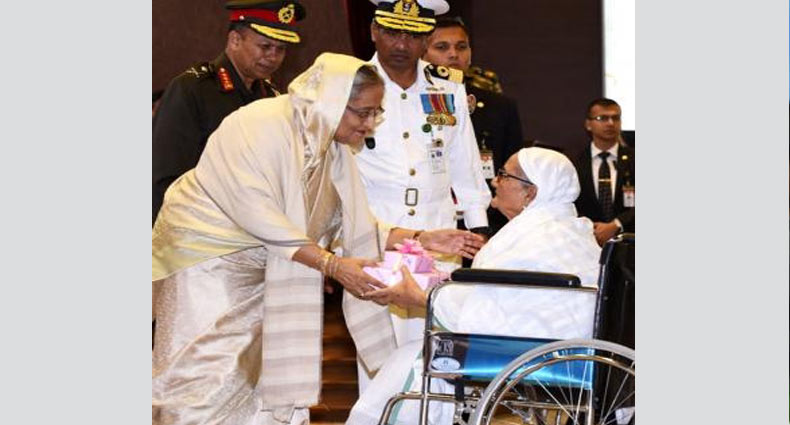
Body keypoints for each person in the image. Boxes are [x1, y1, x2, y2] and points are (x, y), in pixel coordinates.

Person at [152, 53, 485, 425]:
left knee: (260, 373)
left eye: (376, 113)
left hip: (275, 263)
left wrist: (422, 237)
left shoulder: (332, 147)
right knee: (209, 374)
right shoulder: (256, 125)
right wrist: (332, 265)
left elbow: (349, 223)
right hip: (209, 261)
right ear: (332, 101)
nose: (370, 124)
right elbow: (256, 212)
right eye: (363, 113)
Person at [347, 147, 602, 424]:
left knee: (416, 358)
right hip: (574, 351)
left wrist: (422, 297)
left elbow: (478, 314)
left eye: (504, 175)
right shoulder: (571, 229)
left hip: (536, 355)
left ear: (531, 192)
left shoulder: (532, 236)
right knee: (414, 353)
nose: (495, 180)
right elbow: (501, 301)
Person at [353, 0, 492, 391]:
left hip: (440, 236)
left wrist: (478, 231)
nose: (402, 44)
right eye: (392, 32)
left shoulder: (448, 88)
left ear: (426, 37)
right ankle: (381, 414)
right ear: (374, 31)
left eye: (413, 35)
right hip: (376, 236)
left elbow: (465, 164)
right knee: (379, 350)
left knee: (439, 344)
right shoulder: (353, 85)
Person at [152, 0, 306, 223]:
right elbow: (166, 176)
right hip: (201, 225)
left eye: (280, 49)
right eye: (265, 46)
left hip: (254, 224)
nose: (273, 57)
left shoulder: (271, 97)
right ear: (235, 40)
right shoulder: (194, 89)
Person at [422, 16, 525, 236]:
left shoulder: (500, 106)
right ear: (423, 53)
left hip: (490, 218)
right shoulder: (412, 101)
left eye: (461, 47)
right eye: (442, 47)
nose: (453, 54)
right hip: (430, 218)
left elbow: (514, 168)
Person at [572, 98, 635, 246]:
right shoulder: (575, 162)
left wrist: (616, 224)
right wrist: (591, 228)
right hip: (586, 242)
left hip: (630, 245)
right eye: (602, 118)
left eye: (616, 118)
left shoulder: (635, 159)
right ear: (588, 124)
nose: (610, 123)